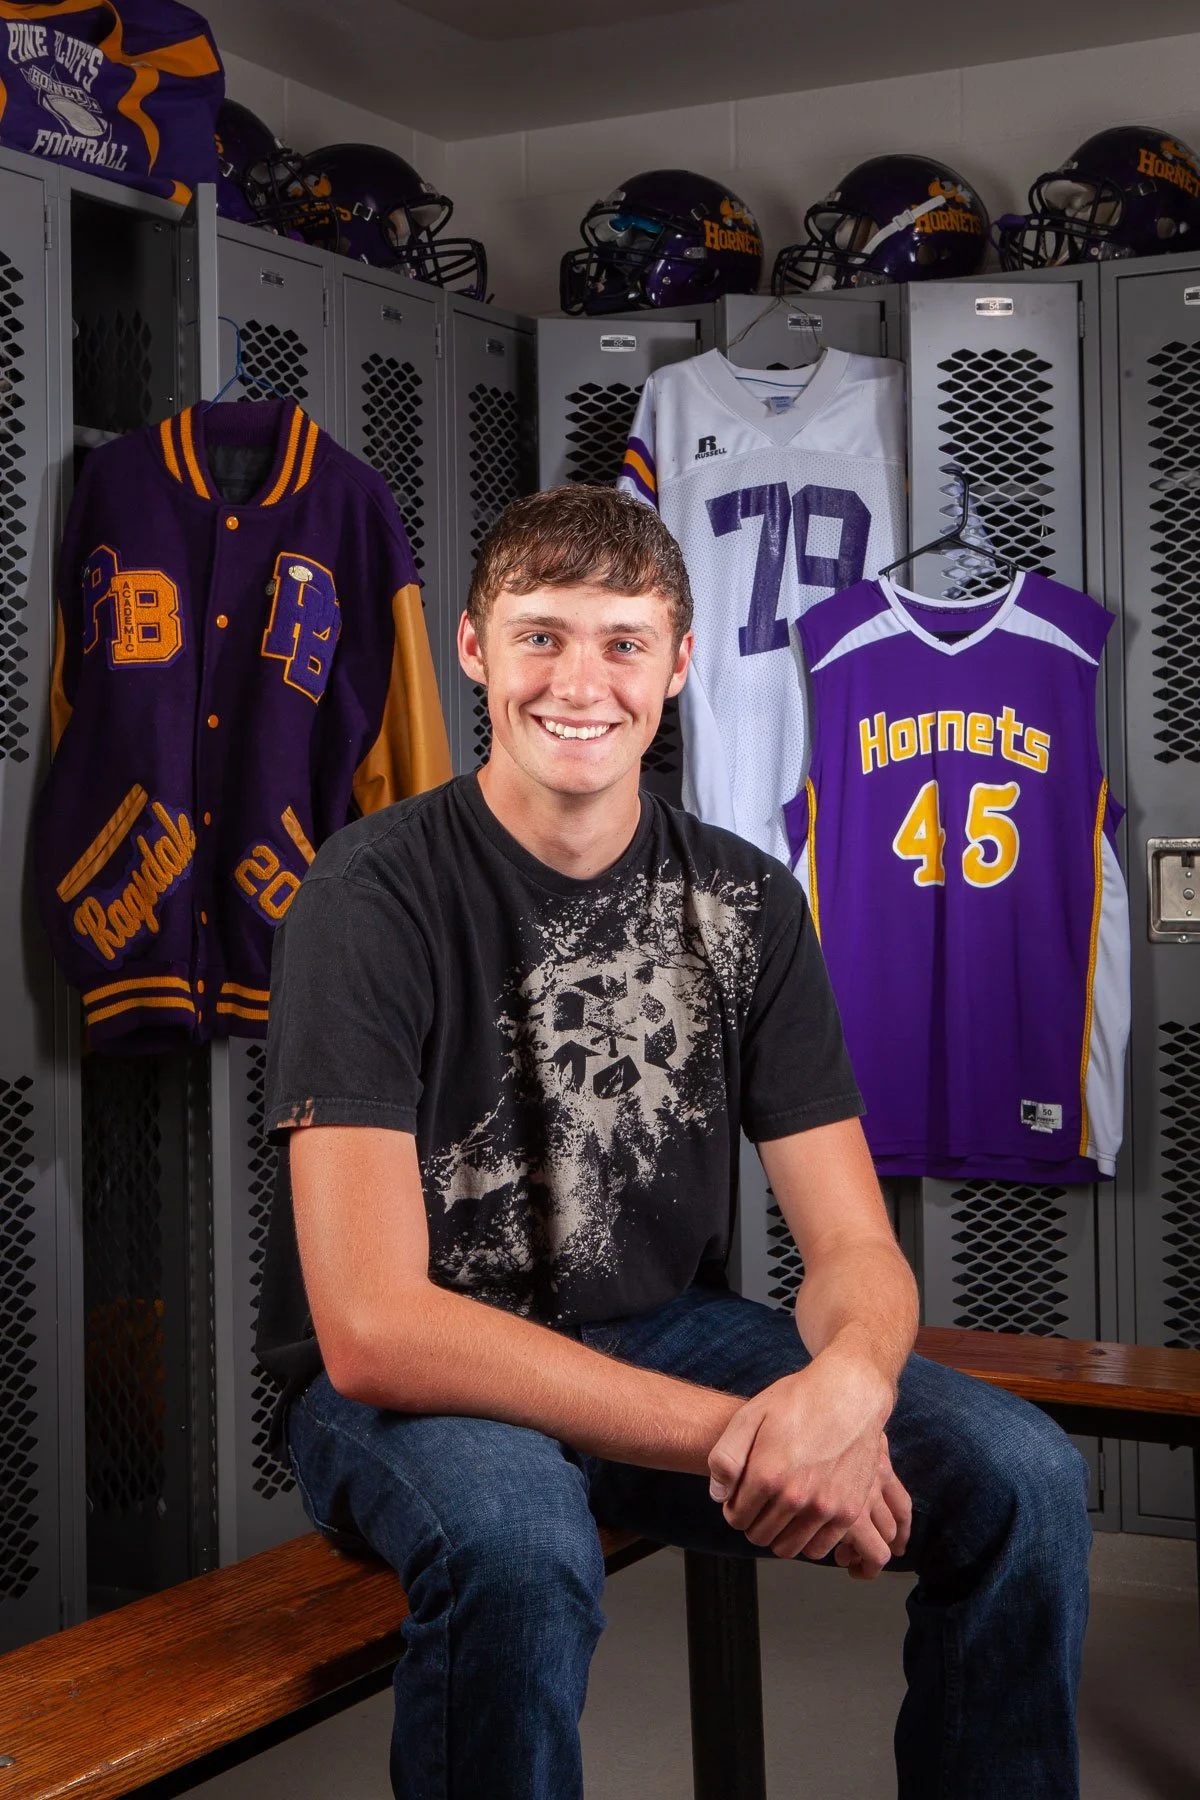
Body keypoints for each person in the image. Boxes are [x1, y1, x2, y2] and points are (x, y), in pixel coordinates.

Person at [258, 483, 1091, 1800]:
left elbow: (854, 1246)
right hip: (416, 1385)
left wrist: (852, 1389)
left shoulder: (747, 898)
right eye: (539, 635)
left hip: (651, 1325)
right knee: (522, 1549)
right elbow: (371, 1324)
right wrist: (749, 1438)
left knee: (1026, 1478)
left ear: (680, 663)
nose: (577, 681)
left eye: (621, 641)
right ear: (471, 649)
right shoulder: (369, 897)